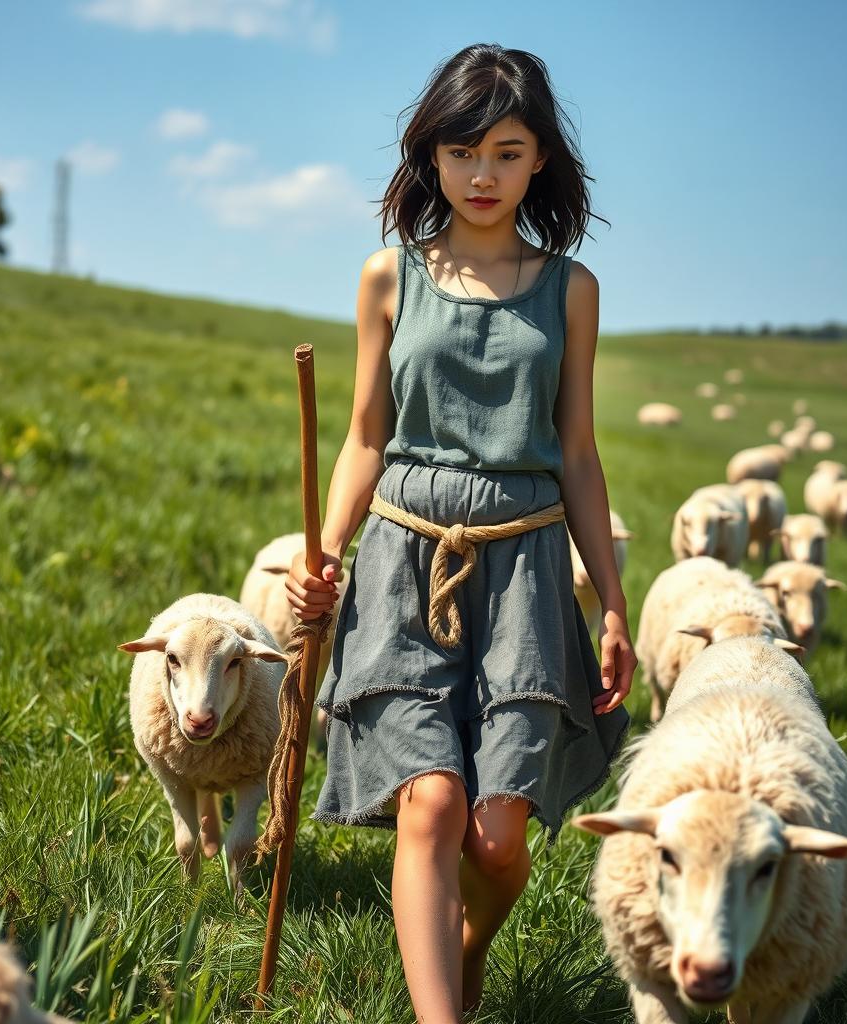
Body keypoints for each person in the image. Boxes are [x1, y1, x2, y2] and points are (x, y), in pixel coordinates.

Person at [285, 43, 636, 1024]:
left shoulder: (570, 290)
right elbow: (363, 435)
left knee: (498, 839)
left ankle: (464, 939)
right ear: (428, 158)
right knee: (430, 804)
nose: (482, 175)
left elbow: (577, 452)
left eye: (507, 152)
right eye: (460, 151)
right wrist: (321, 552)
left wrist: (613, 605)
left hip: (524, 569)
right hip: (403, 559)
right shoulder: (387, 277)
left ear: (539, 164)